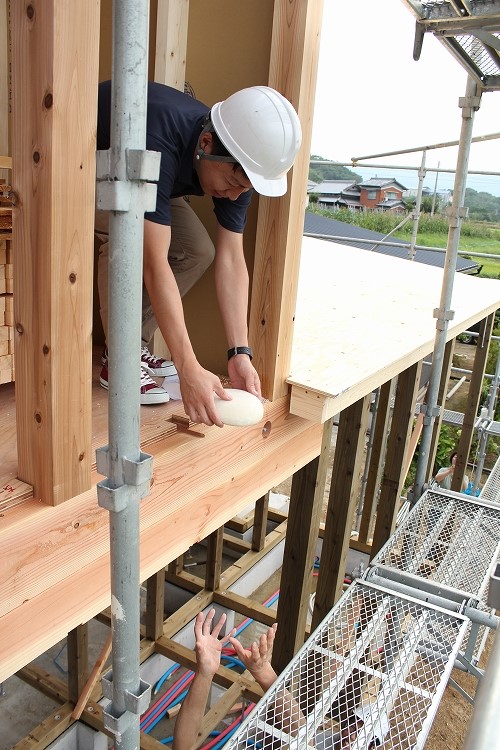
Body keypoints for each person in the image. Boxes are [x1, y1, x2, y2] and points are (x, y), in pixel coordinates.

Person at [95, 81, 302, 422]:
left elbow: (231, 258)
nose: (234, 196)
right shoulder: (158, 137)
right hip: (87, 162)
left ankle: (134, 344)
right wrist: (187, 366)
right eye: (233, 184)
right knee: (127, 239)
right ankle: (120, 359)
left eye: (244, 189)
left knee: (197, 250)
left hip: (144, 173)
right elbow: (152, 262)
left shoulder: (240, 162)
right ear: (206, 143)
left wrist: (240, 353)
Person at [174, 613, 387, 749]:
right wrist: (206, 673)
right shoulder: (330, 742)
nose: (354, 737)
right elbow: (298, 724)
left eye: (365, 736)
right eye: (355, 727)